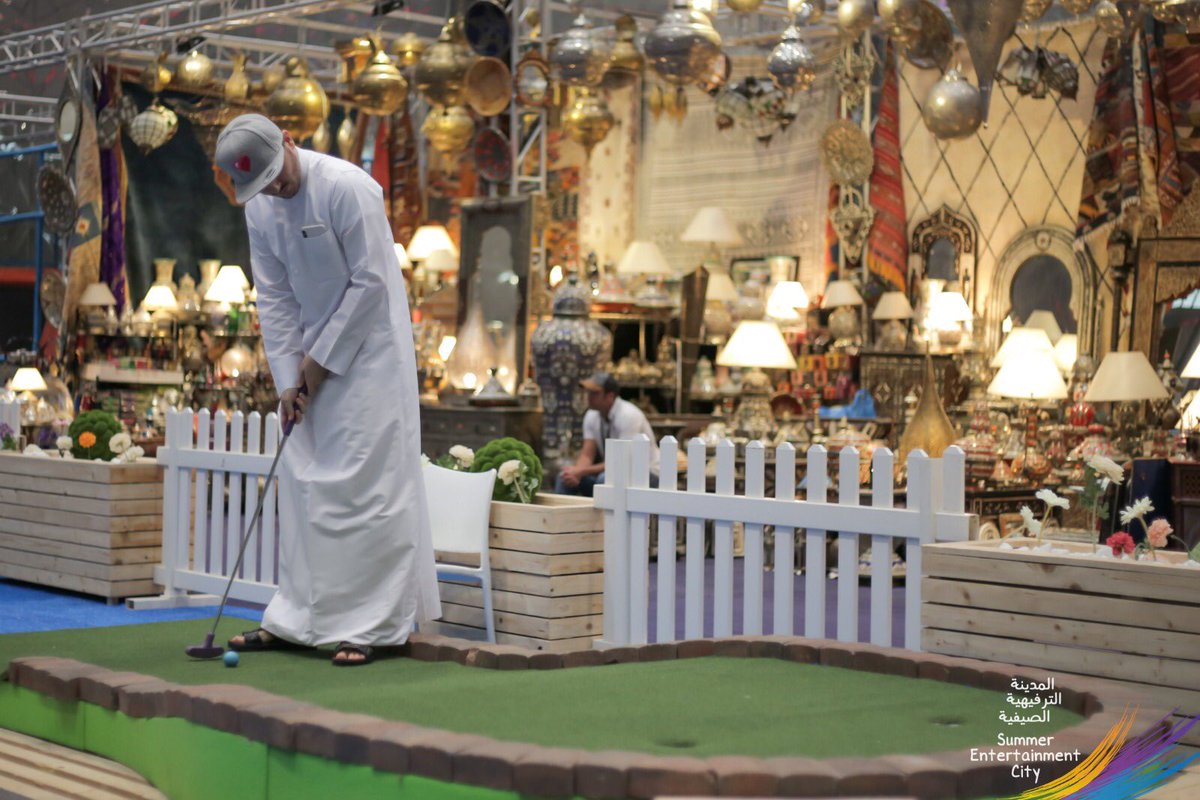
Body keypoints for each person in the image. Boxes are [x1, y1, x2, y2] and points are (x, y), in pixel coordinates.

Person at [213, 114, 440, 666]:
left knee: (368, 487)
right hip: (310, 358)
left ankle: (373, 627)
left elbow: (371, 282)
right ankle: (296, 619)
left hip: (372, 356)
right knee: (304, 482)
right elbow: (274, 297)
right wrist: (289, 377)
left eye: (277, 175)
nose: (275, 188)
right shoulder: (261, 206)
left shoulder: (348, 187)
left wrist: (319, 364)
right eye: (261, 184)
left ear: (289, 141)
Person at [556, 371, 659, 497]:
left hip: (646, 474)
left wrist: (581, 471)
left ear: (610, 396)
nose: (589, 397)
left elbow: (622, 461)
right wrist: (575, 473)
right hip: (616, 471)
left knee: (605, 480)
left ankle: (605, 517)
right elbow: (587, 454)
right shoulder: (592, 415)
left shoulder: (629, 415)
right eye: (588, 392)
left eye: (595, 393)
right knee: (564, 477)